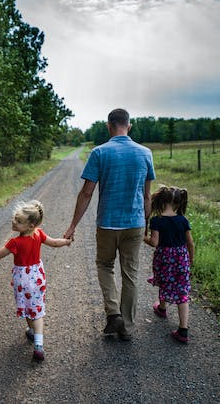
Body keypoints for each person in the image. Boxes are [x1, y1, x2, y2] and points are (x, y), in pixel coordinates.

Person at [64, 108, 155, 341]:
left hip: (107, 224)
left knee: (105, 266)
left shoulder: (99, 153)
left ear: (108, 125)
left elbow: (86, 193)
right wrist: (146, 224)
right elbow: (147, 196)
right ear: (129, 126)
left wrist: (73, 225)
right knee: (130, 274)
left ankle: (113, 312)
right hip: (134, 223)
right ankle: (127, 327)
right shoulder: (145, 153)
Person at [0, 200, 72, 361]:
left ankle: (34, 335)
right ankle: (37, 340)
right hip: (36, 278)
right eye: (15, 218)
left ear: (31, 225)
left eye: (19, 221)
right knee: (37, 308)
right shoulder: (39, 234)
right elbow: (55, 243)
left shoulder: (15, 242)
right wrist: (67, 241)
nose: (14, 222)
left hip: (22, 280)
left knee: (28, 306)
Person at [143, 186, 195, 343]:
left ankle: (162, 308)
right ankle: (183, 330)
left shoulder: (157, 220)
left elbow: (154, 242)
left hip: (164, 258)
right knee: (182, 292)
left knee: (165, 281)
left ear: (161, 200)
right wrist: (190, 260)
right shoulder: (183, 220)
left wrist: (142, 237)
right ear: (179, 203)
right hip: (181, 259)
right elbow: (190, 243)